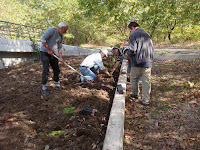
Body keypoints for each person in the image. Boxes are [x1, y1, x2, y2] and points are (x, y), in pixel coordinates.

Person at [127, 21, 154, 106]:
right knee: (146, 82)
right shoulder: (147, 35)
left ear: (132, 28)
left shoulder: (134, 35)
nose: (130, 32)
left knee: (133, 77)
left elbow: (132, 50)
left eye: (130, 30)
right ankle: (146, 101)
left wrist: (127, 54)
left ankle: (135, 93)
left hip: (138, 61)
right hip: (148, 62)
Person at [40, 22, 69, 94]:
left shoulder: (60, 36)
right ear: (61, 28)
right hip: (44, 53)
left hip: (53, 53)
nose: (65, 32)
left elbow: (60, 47)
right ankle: (44, 87)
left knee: (56, 69)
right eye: (65, 30)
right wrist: (48, 50)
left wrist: (61, 57)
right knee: (46, 70)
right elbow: (43, 40)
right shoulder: (51, 30)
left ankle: (57, 84)